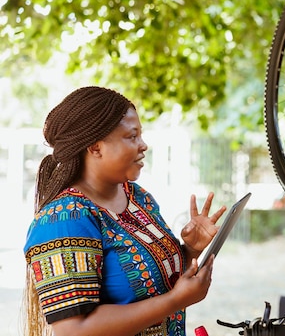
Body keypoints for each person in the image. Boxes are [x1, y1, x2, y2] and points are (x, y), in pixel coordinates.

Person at [23, 86, 228, 336]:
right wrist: (175, 301)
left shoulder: (138, 197)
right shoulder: (63, 219)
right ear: (95, 147)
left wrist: (191, 250)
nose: (143, 146)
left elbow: (156, 284)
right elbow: (73, 330)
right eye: (132, 137)